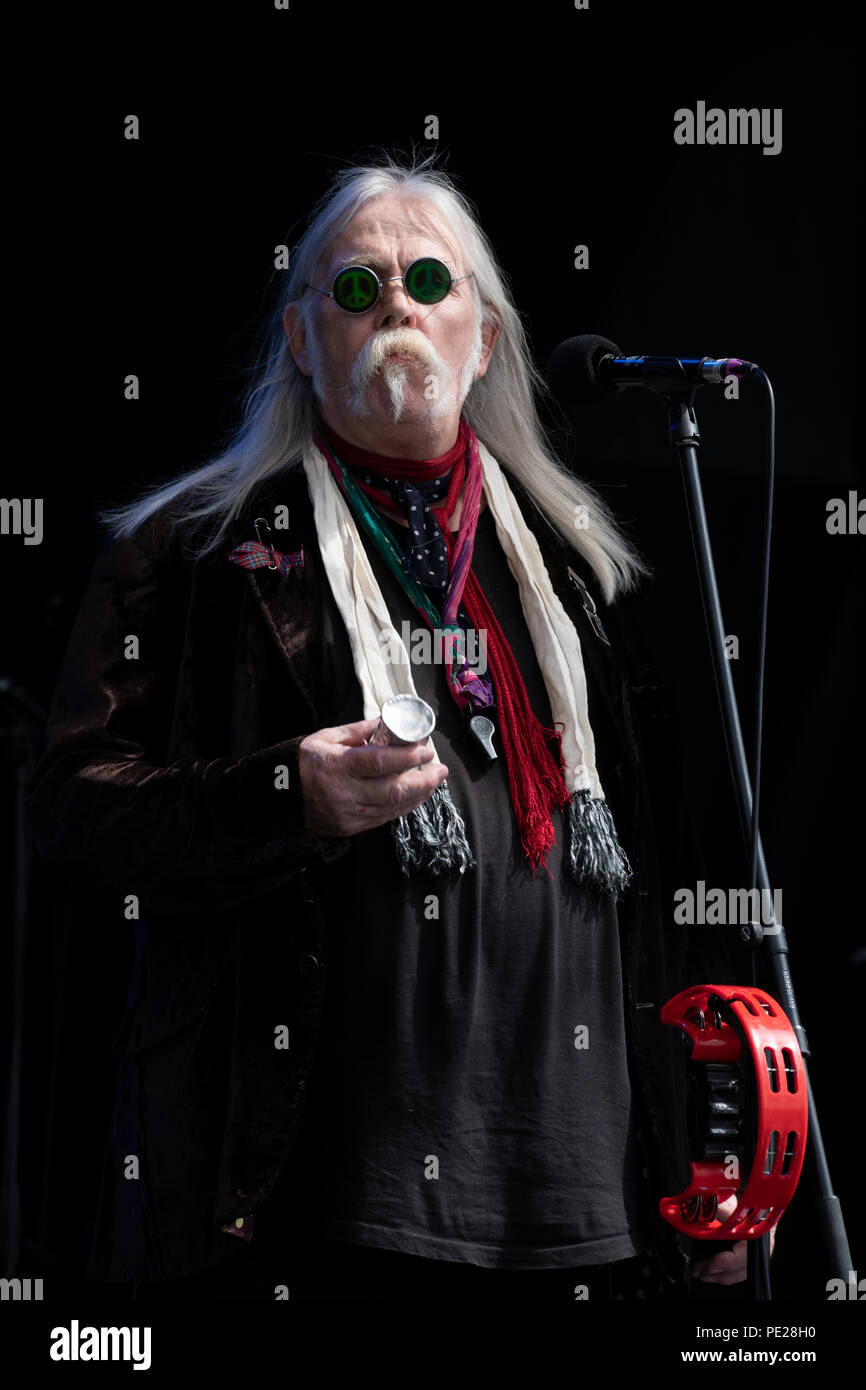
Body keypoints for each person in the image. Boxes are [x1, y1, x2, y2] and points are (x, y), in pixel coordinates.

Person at [25, 151, 762, 1303]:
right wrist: (283, 797)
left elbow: (672, 887)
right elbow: (71, 805)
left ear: (488, 338)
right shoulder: (190, 553)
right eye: (356, 289)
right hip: (319, 1203)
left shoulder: (580, 571)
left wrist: (710, 1160)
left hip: (590, 1207)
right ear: (299, 340)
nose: (397, 305)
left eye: (429, 279)